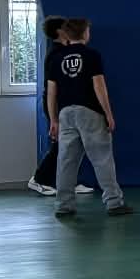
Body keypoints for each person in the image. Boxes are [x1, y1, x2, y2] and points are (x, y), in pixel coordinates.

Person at [46, 18, 131, 220]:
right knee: (102, 159)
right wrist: (108, 113)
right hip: (90, 112)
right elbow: (99, 86)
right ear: (85, 33)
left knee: (66, 161)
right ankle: (114, 202)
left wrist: (53, 119)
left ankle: (63, 205)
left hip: (66, 113)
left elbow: (51, 92)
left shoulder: (56, 58)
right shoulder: (92, 55)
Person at [28, 16, 94, 198]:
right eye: (66, 27)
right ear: (59, 32)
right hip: (57, 104)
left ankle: (68, 182)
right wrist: (54, 117)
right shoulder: (56, 54)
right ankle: (39, 179)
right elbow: (52, 88)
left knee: (74, 144)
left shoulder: (67, 51)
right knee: (60, 145)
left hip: (68, 103)